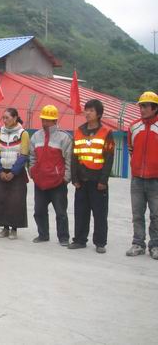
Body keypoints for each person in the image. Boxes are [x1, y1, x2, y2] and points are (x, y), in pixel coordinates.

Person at [69, 99, 114, 253]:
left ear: (99, 114)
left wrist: (103, 180)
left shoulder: (106, 132)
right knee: (80, 212)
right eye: (86, 110)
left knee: (100, 213)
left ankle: (100, 243)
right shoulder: (79, 131)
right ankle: (79, 240)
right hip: (82, 179)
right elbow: (74, 156)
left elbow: (109, 158)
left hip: (97, 180)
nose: (87, 113)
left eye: (91, 110)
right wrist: (74, 178)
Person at [29, 105, 72, 246]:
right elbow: (32, 156)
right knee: (39, 211)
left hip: (57, 182)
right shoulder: (36, 136)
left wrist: (66, 178)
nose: (45, 123)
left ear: (55, 121)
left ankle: (63, 238)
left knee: (61, 212)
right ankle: (43, 235)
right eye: (43, 120)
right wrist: (32, 171)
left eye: (48, 120)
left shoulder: (64, 138)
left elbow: (69, 160)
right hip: (40, 181)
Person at [126, 91, 158, 259]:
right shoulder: (133, 127)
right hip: (137, 179)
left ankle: (155, 245)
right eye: (141, 106)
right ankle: (138, 243)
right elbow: (131, 149)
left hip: (156, 179)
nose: (142, 109)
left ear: (155, 108)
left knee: (156, 215)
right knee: (137, 214)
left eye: (145, 106)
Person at [0, 108, 30, 240]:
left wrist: (13, 172)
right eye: (4, 118)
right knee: (1, 200)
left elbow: (24, 155)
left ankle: (14, 229)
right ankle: (5, 228)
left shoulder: (23, 134)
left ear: (15, 118)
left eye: (7, 118)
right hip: (2, 171)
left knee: (15, 201)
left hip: (16, 173)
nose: (5, 120)